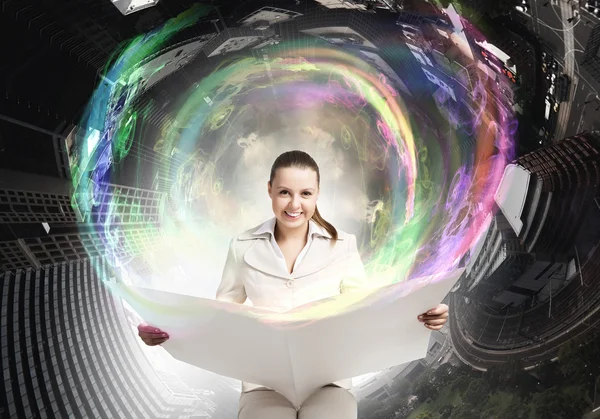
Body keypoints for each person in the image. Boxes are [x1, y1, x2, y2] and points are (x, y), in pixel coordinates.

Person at [138, 150, 449, 419]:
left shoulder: (342, 245)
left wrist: (422, 314)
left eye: (305, 193)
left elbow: (366, 310)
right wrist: (170, 333)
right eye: (285, 192)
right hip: (263, 381)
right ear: (270, 190)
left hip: (330, 379)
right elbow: (220, 316)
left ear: (317, 194)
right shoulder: (242, 245)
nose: (294, 204)